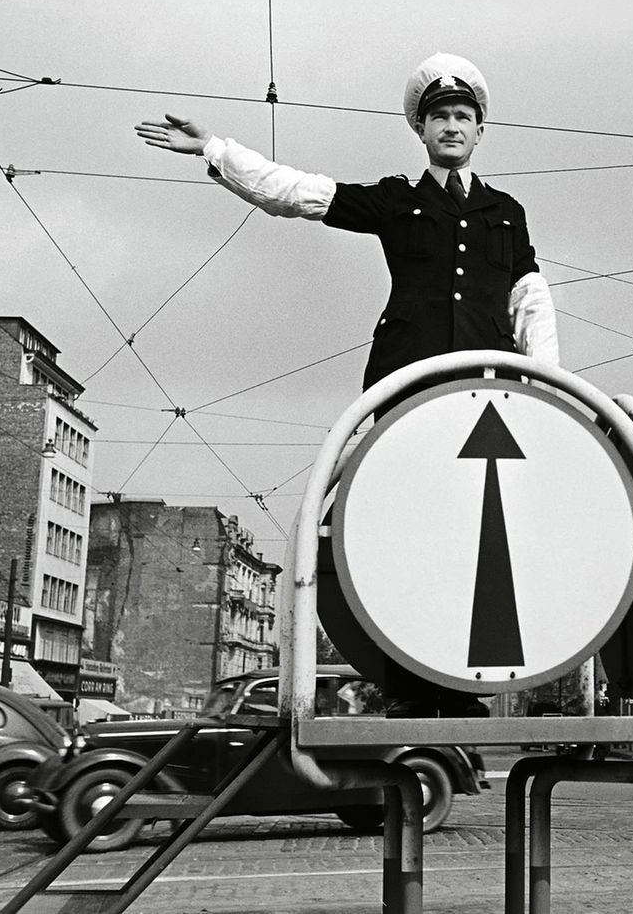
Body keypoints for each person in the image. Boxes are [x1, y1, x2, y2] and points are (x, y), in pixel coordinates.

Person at [137, 54, 558, 720]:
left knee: (471, 538)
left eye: (463, 117)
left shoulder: (508, 211)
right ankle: (411, 682)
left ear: (480, 131)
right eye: (440, 116)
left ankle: (460, 681)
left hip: (485, 394)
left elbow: (530, 297)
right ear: (421, 130)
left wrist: (546, 385)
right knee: (402, 530)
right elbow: (295, 192)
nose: (452, 126)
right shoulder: (398, 199)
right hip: (405, 390)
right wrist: (213, 148)